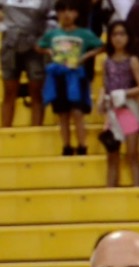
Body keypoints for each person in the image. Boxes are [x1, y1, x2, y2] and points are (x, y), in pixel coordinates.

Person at [34, 0, 96, 158]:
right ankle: (66, 146)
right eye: (62, 11)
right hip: (58, 77)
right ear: (58, 14)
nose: (66, 15)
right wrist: (49, 52)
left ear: (76, 13)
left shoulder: (84, 33)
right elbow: (39, 46)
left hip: (76, 76)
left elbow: (100, 45)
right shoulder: (53, 34)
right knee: (62, 113)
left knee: (77, 112)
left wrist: (85, 56)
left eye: (70, 11)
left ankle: (83, 145)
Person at [97, 20, 139, 186]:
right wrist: (100, 100)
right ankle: (110, 190)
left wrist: (124, 93)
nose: (118, 38)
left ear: (128, 37)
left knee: (132, 154)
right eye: (114, 34)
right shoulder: (107, 61)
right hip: (112, 112)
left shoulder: (132, 60)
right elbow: (105, 85)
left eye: (122, 34)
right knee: (112, 156)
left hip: (128, 110)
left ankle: (137, 189)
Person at [2, 0, 50, 127]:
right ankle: (5, 132)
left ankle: (36, 131)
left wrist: (44, 41)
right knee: (9, 91)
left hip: (35, 45)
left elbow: (52, 19)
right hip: (10, 45)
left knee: (36, 91)